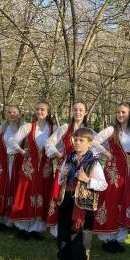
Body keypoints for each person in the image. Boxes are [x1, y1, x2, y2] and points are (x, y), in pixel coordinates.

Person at [55, 128, 108, 260]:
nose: (77, 143)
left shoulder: (94, 162)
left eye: (81, 140)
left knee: (79, 244)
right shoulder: (68, 159)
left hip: (83, 208)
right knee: (63, 241)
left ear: (89, 143)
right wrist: (62, 175)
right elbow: (60, 179)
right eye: (75, 139)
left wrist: (87, 180)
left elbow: (103, 185)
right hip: (67, 202)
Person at [91, 102, 130, 253]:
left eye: (123, 112)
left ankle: (118, 237)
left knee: (126, 201)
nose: (120, 115)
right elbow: (94, 141)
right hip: (114, 173)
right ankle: (107, 239)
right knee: (111, 201)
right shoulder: (111, 129)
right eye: (118, 112)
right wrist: (106, 152)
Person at [8, 101, 55, 240]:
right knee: (26, 194)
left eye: (43, 109)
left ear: (48, 112)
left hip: (45, 168)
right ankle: (22, 228)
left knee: (42, 194)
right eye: (38, 109)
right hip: (29, 167)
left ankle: (36, 228)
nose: (40, 112)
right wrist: (22, 152)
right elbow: (12, 141)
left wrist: (56, 154)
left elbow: (60, 144)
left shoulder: (54, 128)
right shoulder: (28, 126)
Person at [45, 101, 90, 238]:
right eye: (75, 110)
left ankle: (75, 227)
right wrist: (58, 154)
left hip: (80, 170)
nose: (78, 112)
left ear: (85, 112)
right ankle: (59, 229)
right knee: (61, 196)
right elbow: (49, 142)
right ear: (72, 112)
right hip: (64, 168)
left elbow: (95, 146)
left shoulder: (88, 131)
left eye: (81, 110)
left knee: (76, 197)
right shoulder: (65, 127)